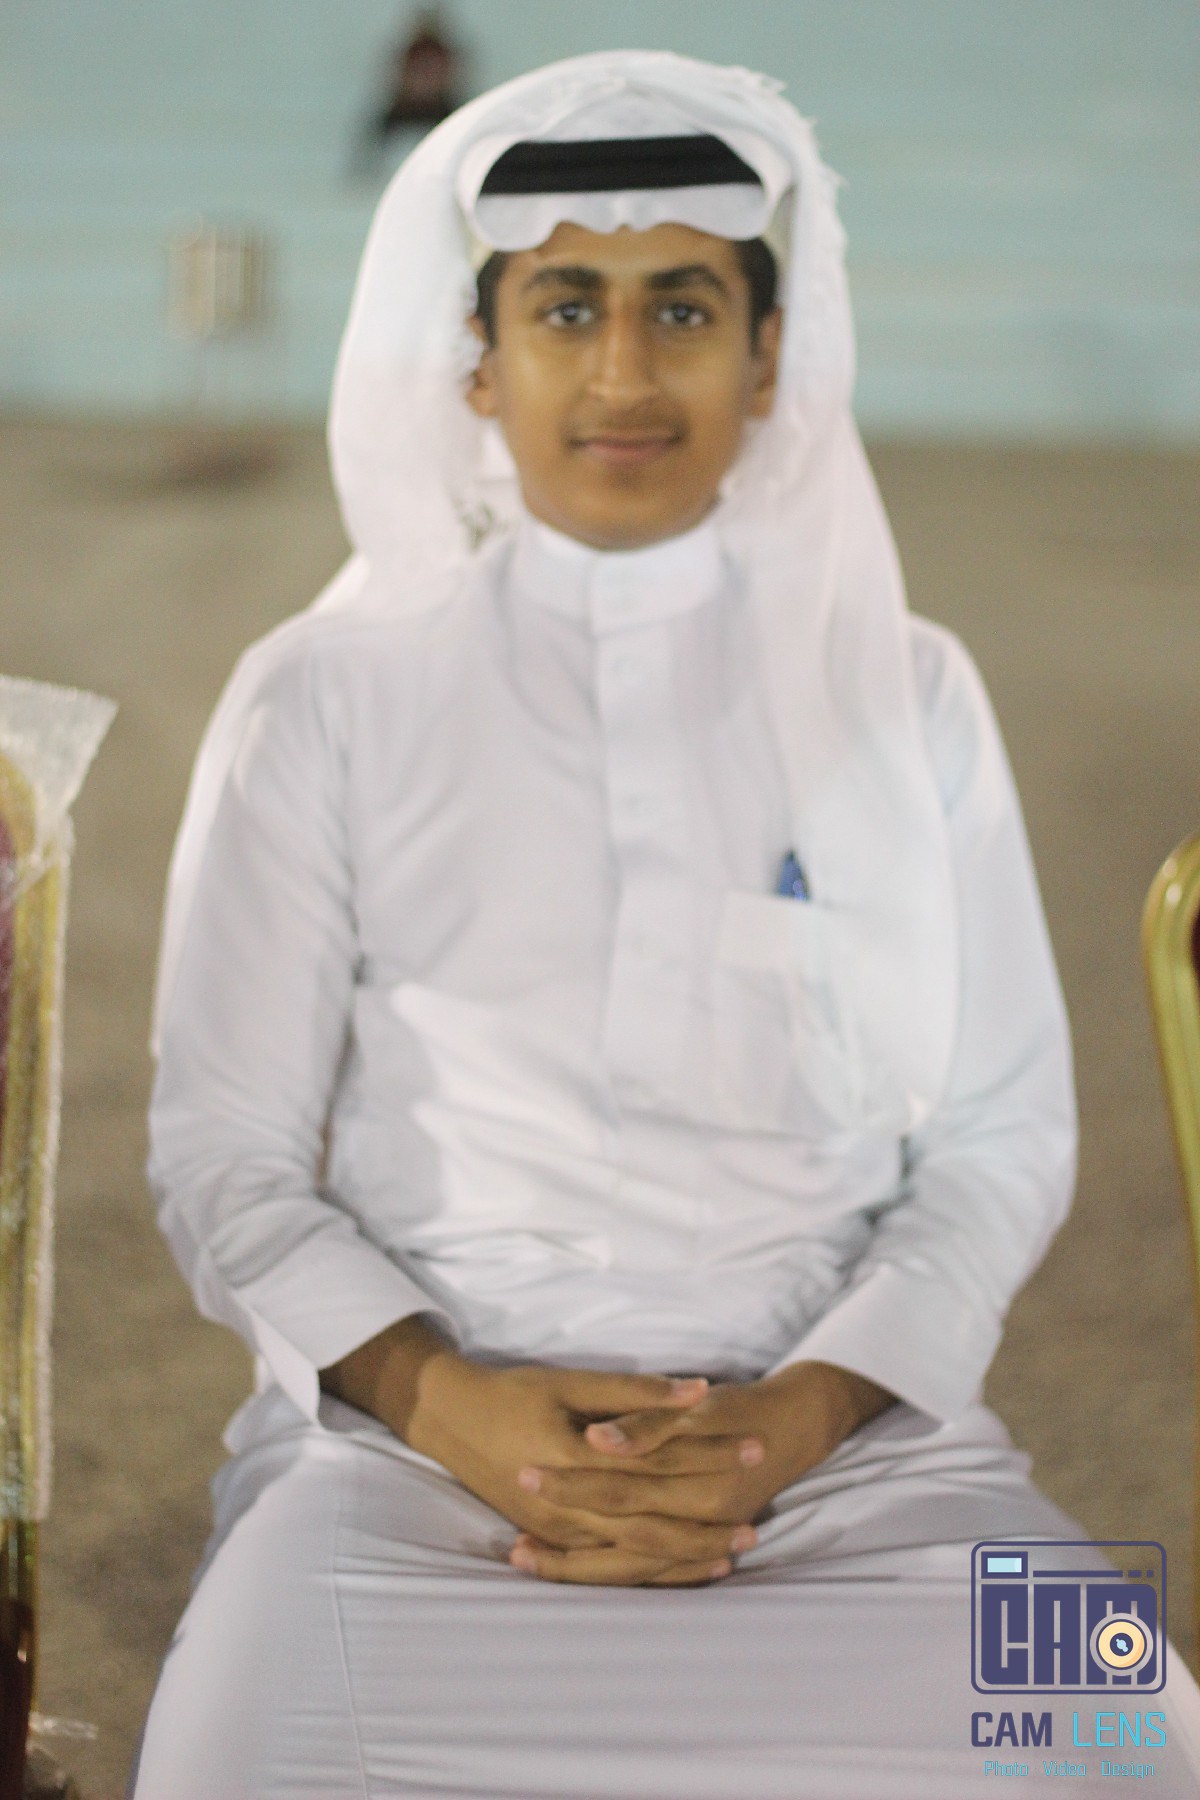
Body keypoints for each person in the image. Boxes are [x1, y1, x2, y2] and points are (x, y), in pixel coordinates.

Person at [128, 49, 1200, 1800]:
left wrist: (800, 1417)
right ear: (479, 359)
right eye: (567, 307)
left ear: (770, 356)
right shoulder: (321, 692)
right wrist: (451, 1405)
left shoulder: (910, 693)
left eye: (684, 309)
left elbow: (1001, 1141)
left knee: (1135, 1745)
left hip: (872, 1465)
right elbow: (221, 1153)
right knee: (230, 1768)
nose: (625, 374)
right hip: (407, 1468)